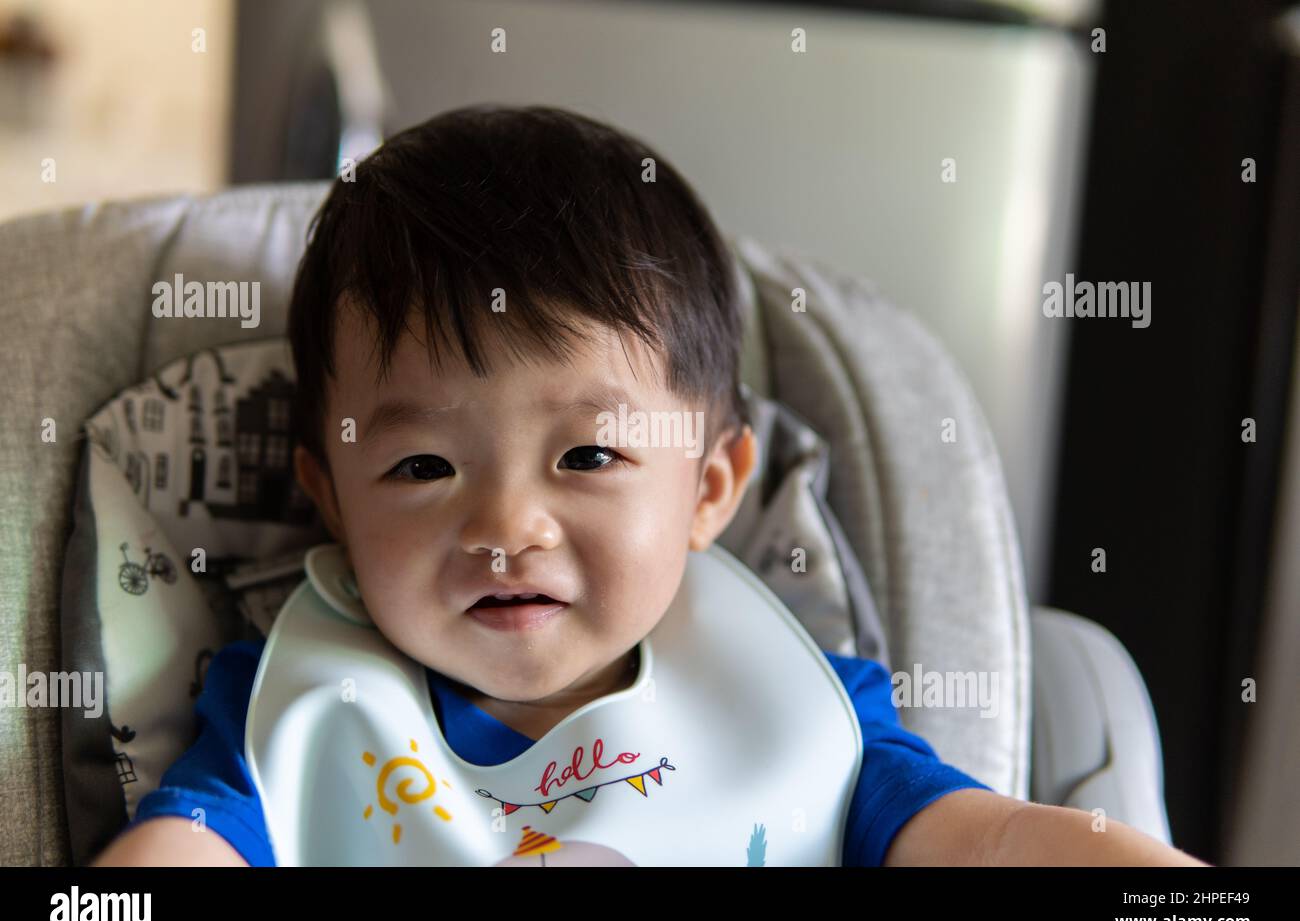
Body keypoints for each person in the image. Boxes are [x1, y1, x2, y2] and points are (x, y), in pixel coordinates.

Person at [93, 105, 1206, 867]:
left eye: (586, 456)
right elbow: (184, 850)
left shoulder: (791, 700)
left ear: (712, 484)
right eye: (421, 465)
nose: (506, 524)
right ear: (329, 497)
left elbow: (987, 838)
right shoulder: (299, 703)